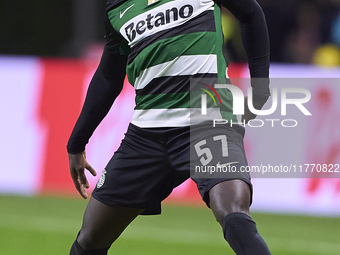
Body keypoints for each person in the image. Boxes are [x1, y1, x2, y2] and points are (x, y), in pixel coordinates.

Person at [67, 0, 271, 254]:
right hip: (145, 135)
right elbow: (108, 78)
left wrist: (260, 85)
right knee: (89, 240)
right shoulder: (117, 6)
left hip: (208, 120)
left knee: (233, 212)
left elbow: (251, 13)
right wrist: (77, 142)